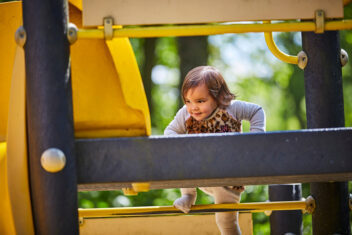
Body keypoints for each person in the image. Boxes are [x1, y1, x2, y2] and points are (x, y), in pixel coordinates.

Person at [164, 66, 266, 235]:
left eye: (200, 101)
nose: (193, 107)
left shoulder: (231, 108)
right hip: (199, 169)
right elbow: (170, 132)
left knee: (225, 221)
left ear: (219, 97)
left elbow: (257, 111)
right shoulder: (186, 114)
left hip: (228, 175)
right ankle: (188, 195)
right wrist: (183, 145)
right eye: (188, 101)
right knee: (178, 155)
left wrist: (255, 137)